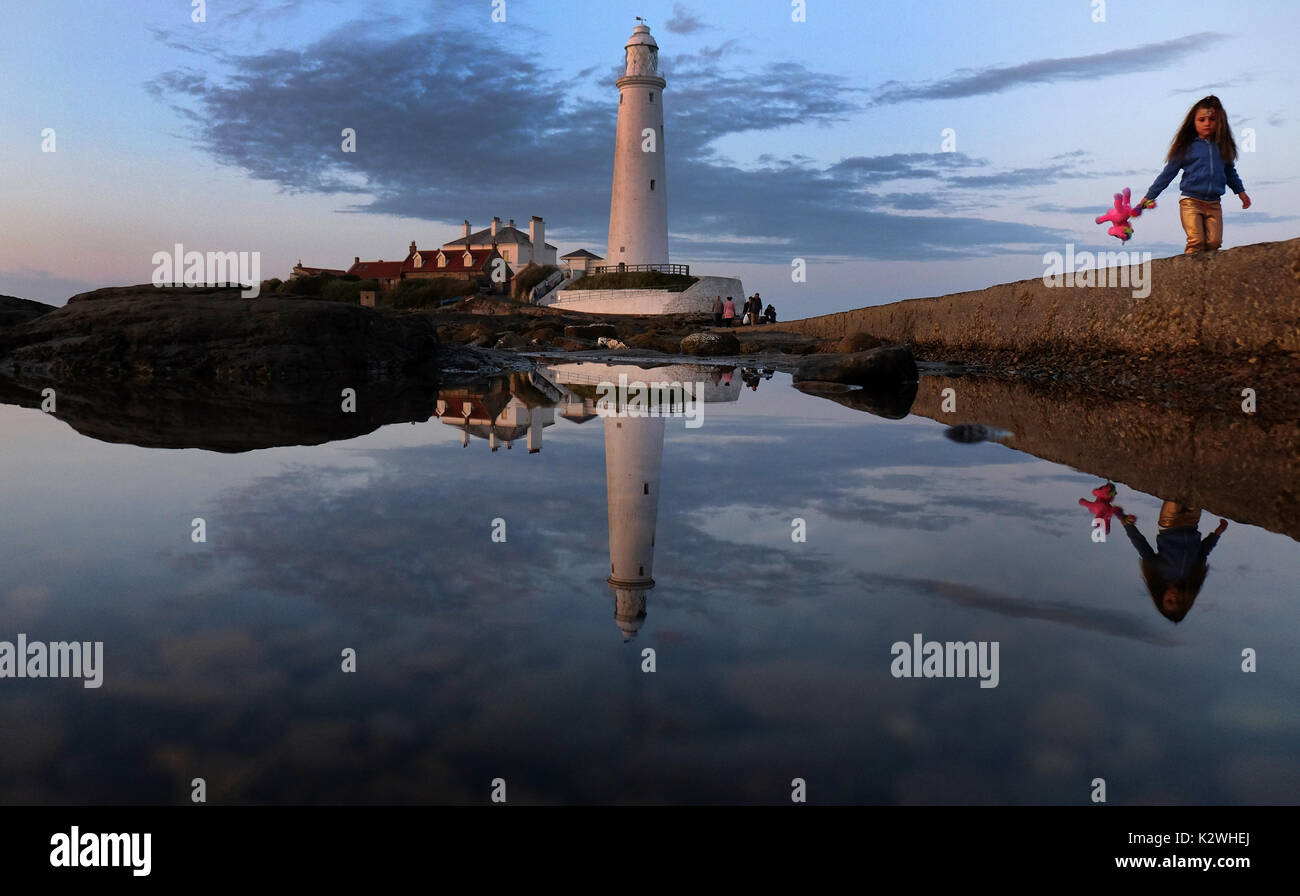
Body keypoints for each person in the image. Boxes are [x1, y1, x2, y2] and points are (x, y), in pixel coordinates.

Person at [1142, 95, 1251, 254]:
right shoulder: (1186, 147)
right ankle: (1187, 276)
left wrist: (1241, 192)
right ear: (1193, 123)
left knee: (1214, 242)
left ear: (1219, 121)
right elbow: (1168, 173)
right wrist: (1150, 196)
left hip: (1214, 203)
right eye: (1202, 120)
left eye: (1212, 119)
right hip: (1191, 201)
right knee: (1196, 241)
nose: (1207, 123)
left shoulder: (1222, 147)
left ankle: (1207, 276)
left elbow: (1230, 172)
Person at [1119, 502, 1227, 622]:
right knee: (1195, 495)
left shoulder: (1157, 573)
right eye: (1179, 602)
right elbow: (1203, 551)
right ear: (1186, 600)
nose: (1174, 597)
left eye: (1169, 601)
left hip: (1169, 524)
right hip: (1191, 523)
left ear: (1162, 598)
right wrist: (1218, 533)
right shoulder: (1192, 576)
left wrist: (1128, 526)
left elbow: (1142, 546)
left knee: (1175, 495)